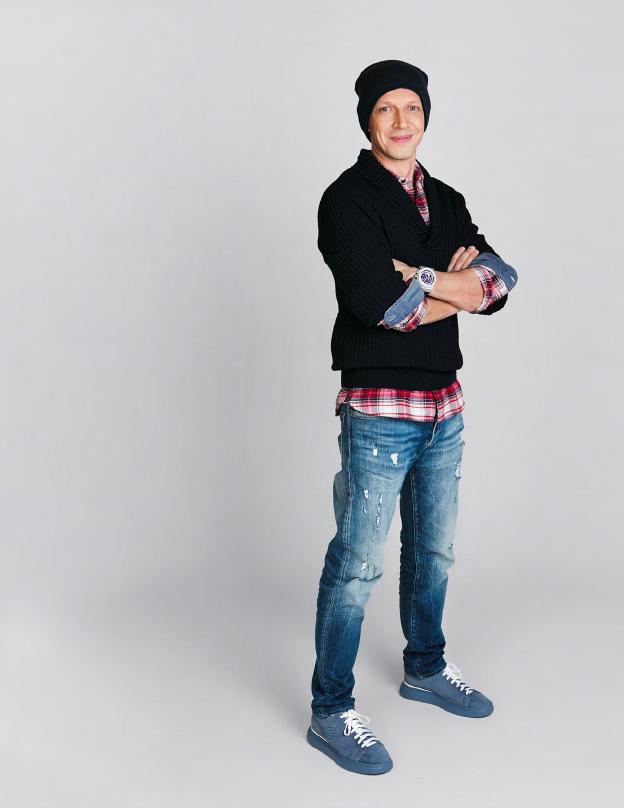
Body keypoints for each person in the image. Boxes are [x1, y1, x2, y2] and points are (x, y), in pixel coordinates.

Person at [306, 59, 519, 776]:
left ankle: (425, 667)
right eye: (386, 109)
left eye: (412, 108)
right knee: (358, 564)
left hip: (444, 406)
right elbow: (383, 308)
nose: (402, 121)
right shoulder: (346, 200)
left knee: (434, 553)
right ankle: (331, 708)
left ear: (426, 116)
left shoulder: (447, 199)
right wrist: (457, 288)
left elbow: (500, 282)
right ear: (367, 119)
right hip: (379, 408)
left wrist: (423, 276)